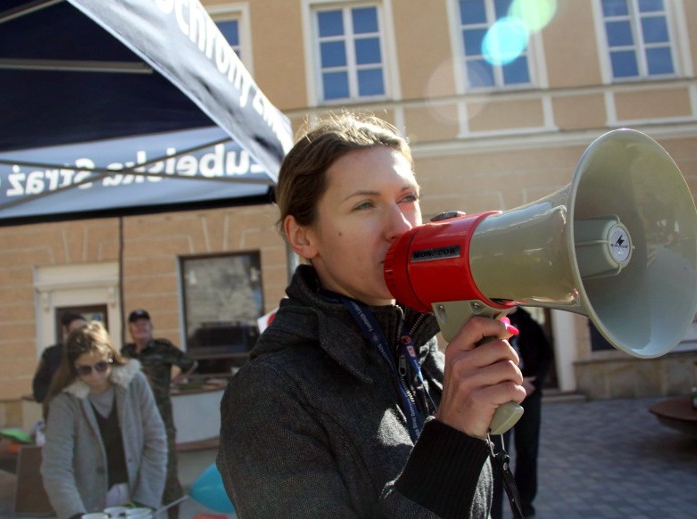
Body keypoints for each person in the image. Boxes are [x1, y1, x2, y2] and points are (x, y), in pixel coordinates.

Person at [217, 112, 527, 517]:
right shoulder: (268, 394)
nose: (400, 227)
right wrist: (452, 436)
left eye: (408, 198)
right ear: (303, 236)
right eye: (365, 204)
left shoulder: (424, 354)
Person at [41, 321, 167, 519]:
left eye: (101, 365)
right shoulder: (65, 403)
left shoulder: (135, 383)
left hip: (138, 494)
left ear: (111, 357)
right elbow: (56, 467)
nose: (95, 375)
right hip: (86, 503)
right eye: (85, 369)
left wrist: (145, 501)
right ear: (74, 368)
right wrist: (75, 514)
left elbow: (156, 441)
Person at [121, 309, 197, 519]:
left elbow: (190, 364)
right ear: (130, 329)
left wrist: (176, 381)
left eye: (145, 324)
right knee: (136, 471)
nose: (140, 328)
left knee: (168, 472)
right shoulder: (125, 353)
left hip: (161, 420)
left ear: (151, 327)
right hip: (134, 422)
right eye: (136, 324)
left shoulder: (163, 348)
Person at [491, 306, 554, 519]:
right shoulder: (489, 321)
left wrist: (532, 383)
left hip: (530, 397)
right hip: (500, 399)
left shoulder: (529, 323)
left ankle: (525, 509)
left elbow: (546, 356)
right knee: (498, 458)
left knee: (528, 452)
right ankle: (494, 512)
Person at [32, 312, 88, 403]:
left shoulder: (92, 352)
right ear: (66, 331)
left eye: (84, 330)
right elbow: (39, 387)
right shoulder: (51, 354)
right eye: (76, 331)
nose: (81, 335)